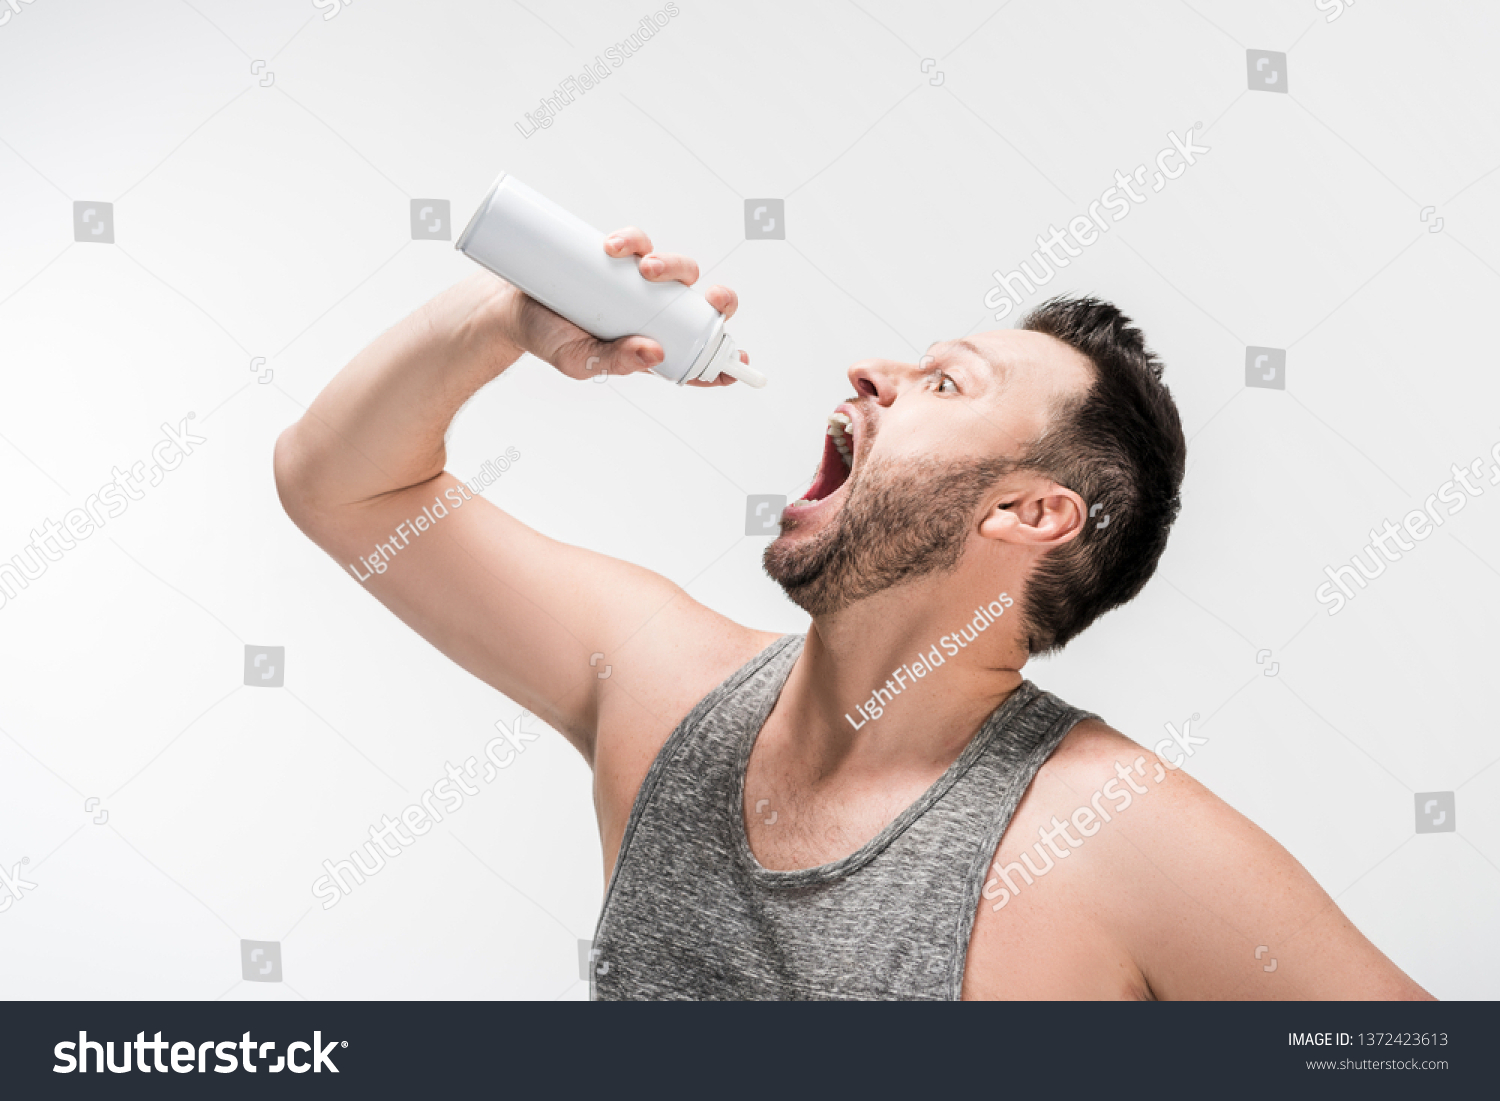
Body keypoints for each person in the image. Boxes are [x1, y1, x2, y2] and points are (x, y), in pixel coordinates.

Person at [274, 224, 1431, 1000]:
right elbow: (343, 483)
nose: (876, 371)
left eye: (945, 384)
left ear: (1033, 512)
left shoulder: (1113, 833)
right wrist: (502, 323)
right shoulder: (661, 687)